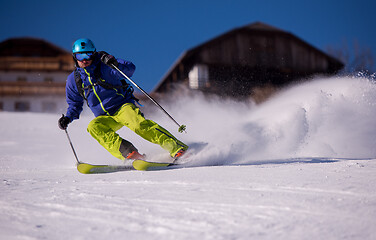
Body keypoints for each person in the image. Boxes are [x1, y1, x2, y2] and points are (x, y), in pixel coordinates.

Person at [58, 38, 188, 162]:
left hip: (122, 107)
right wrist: (68, 118)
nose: (85, 59)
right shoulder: (74, 80)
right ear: (75, 57)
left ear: (94, 54)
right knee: (94, 127)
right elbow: (74, 103)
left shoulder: (104, 66)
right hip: (106, 117)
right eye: (81, 56)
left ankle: (177, 148)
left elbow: (130, 69)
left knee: (138, 125)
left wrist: (113, 62)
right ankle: (130, 154)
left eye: (88, 55)